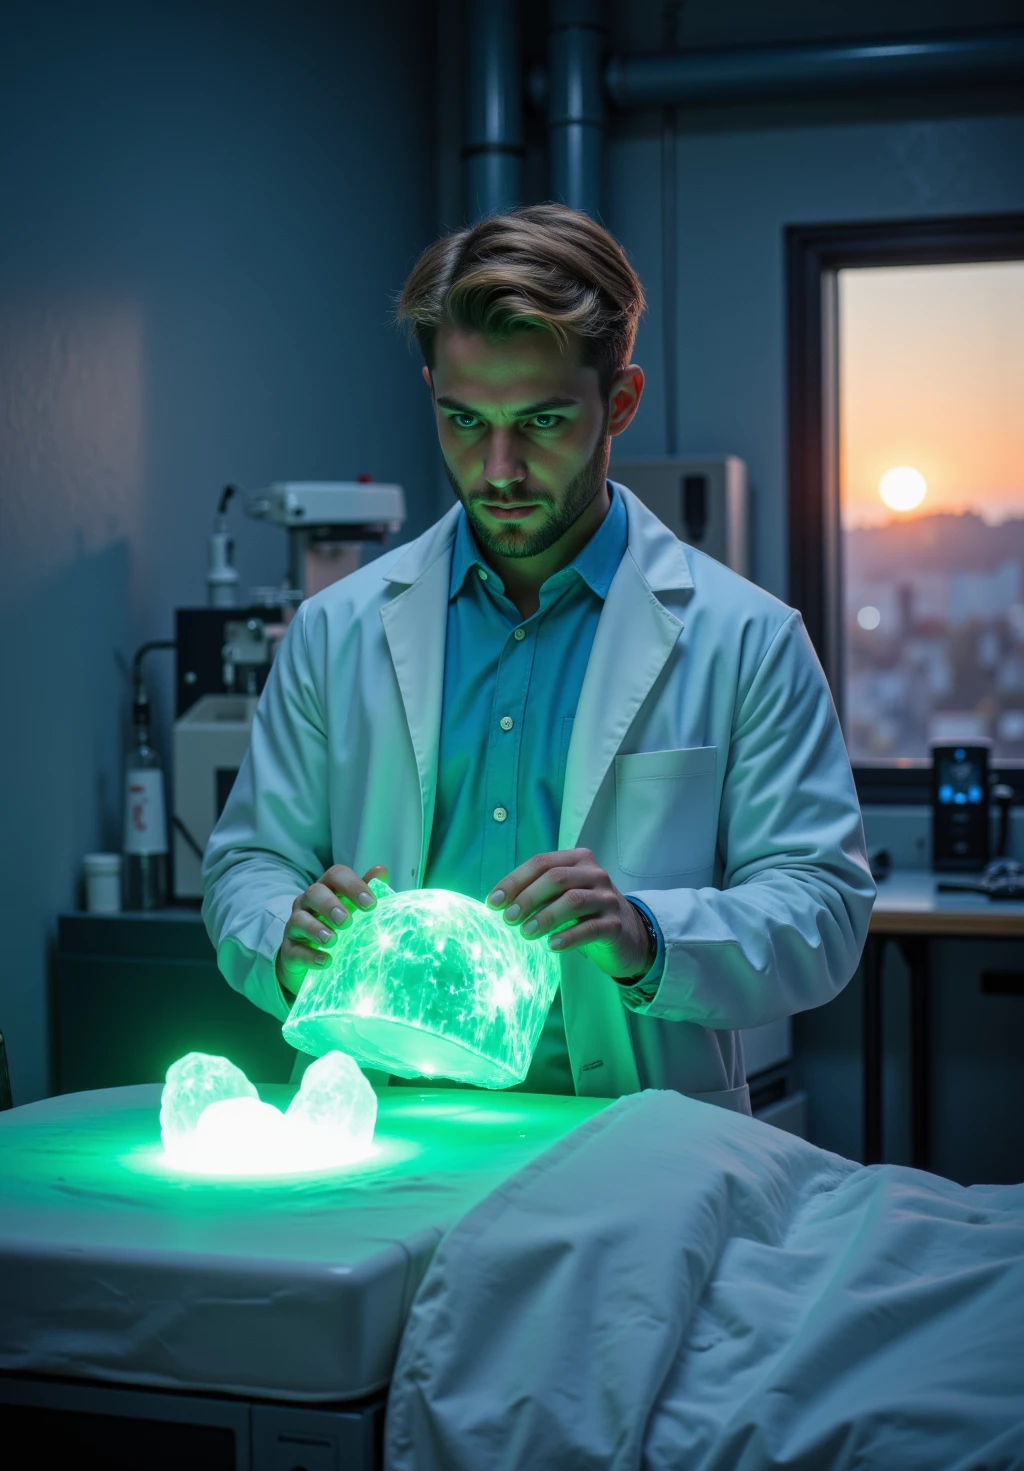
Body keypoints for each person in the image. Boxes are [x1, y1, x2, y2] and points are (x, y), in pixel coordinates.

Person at [202, 203, 875, 1114]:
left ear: (620, 404)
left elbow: (823, 909)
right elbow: (248, 865)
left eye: (544, 421)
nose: (500, 470)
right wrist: (284, 933)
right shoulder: (338, 630)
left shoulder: (746, 638)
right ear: (434, 391)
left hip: (633, 1134)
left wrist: (646, 934)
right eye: (466, 422)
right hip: (386, 1119)